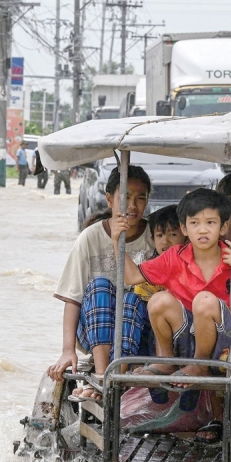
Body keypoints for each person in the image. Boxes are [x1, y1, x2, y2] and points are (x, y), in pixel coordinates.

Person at [110, 188, 231, 440]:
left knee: (203, 300)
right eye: (195, 223)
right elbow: (131, 276)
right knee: (158, 300)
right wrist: (118, 240)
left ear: (223, 227)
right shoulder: (174, 257)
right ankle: (166, 360)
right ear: (185, 228)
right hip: (187, 343)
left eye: (210, 223)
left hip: (227, 346)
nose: (203, 230)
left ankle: (199, 367)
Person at [47, 165, 154, 391]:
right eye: (125, 198)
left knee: (133, 297)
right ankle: (102, 377)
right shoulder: (90, 237)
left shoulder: (156, 235)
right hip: (94, 334)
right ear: (109, 199)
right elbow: (73, 298)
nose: (133, 206)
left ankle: (120, 374)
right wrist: (68, 350)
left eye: (140, 198)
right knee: (100, 287)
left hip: (141, 332)